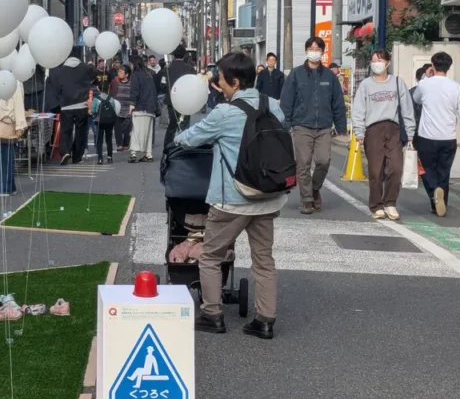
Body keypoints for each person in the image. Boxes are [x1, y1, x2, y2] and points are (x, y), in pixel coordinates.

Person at [173, 52, 286, 340]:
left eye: (221, 79)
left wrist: (177, 136)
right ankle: (265, 320)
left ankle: (213, 314)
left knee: (211, 256)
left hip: (232, 200)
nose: (217, 83)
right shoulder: (273, 106)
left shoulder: (224, 113)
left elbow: (190, 139)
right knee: (264, 259)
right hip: (267, 196)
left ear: (235, 82)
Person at [279, 36, 347, 214]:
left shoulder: (329, 76)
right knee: (303, 165)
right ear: (306, 51)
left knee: (324, 161)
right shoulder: (296, 74)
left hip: (324, 126)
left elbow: (337, 103)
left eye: (318, 49)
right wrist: (286, 124)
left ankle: (314, 189)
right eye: (311, 49)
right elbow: (286, 101)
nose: (314, 52)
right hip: (301, 125)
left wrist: (341, 127)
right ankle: (307, 200)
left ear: (322, 52)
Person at [351, 50, 416, 220]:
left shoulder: (397, 82)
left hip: (393, 129)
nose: (376, 64)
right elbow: (358, 109)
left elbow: (407, 108)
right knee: (375, 170)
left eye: (379, 60)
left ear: (388, 63)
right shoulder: (366, 85)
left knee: (396, 167)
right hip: (373, 130)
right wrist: (359, 131)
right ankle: (376, 205)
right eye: (373, 61)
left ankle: (390, 203)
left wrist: (410, 132)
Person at [413, 51, 460, 216]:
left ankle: (434, 194)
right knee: (444, 172)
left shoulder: (424, 84)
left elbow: (416, 99)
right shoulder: (456, 87)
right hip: (448, 137)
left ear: (432, 65)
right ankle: (441, 203)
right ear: (449, 67)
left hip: (427, 136)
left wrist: (425, 77)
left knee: (427, 169)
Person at [0, 80, 27, 197]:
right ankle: (8, 187)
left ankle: (3, 189)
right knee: (0, 158)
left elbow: (18, 104)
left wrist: (20, 126)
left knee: (3, 158)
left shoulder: (14, 82)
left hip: (5, 124)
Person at [53, 57, 96, 165]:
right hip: (81, 104)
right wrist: (91, 65)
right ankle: (77, 156)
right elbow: (94, 74)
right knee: (81, 131)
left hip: (66, 105)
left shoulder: (61, 70)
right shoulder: (85, 68)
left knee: (66, 130)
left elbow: (57, 88)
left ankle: (66, 151)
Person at [162, 44, 194, 150]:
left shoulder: (167, 69)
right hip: (186, 101)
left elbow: (163, 85)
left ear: (173, 55)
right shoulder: (189, 68)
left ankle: (167, 148)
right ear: (184, 55)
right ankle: (183, 148)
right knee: (184, 125)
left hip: (172, 100)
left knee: (172, 125)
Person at [129, 58, 159, 163]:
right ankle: (148, 154)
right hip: (150, 108)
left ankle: (133, 153)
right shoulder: (149, 74)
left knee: (135, 131)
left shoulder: (135, 75)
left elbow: (135, 90)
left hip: (140, 107)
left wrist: (132, 104)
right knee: (148, 132)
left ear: (134, 64)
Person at [90, 87, 117, 164]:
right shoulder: (111, 99)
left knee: (99, 140)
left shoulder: (96, 99)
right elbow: (114, 110)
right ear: (108, 89)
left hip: (100, 122)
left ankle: (100, 158)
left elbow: (92, 111)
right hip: (109, 122)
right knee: (109, 139)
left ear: (98, 89)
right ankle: (109, 157)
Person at [110, 65, 133, 150]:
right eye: (118, 72)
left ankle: (126, 144)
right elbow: (111, 93)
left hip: (128, 110)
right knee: (117, 129)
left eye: (121, 72)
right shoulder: (115, 82)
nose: (119, 74)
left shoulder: (131, 83)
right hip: (117, 109)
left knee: (127, 129)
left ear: (126, 74)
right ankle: (119, 144)